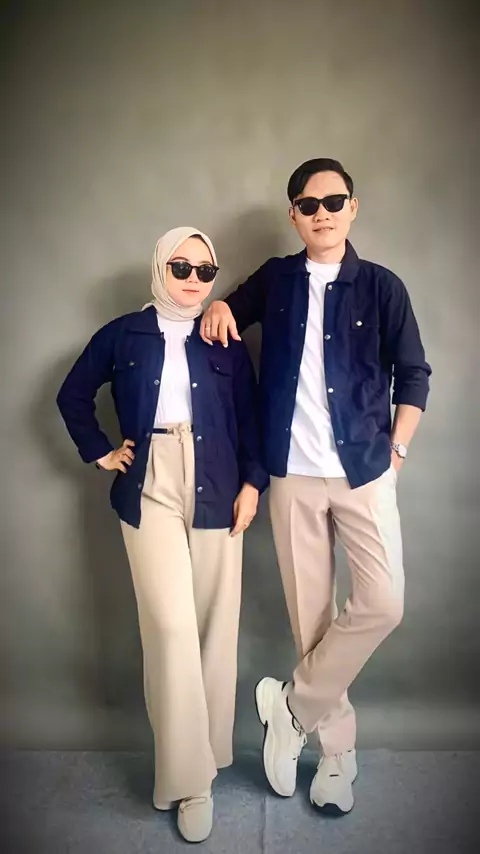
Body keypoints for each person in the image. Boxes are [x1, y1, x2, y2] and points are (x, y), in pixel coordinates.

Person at [200, 159, 431, 816]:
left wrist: (398, 449)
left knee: (382, 602)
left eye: (334, 201)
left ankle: (291, 708)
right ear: (294, 215)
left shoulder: (382, 287)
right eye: (308, 204)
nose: (321, 212)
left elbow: (414, 374)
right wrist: (218, 305)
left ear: (352, 207)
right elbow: (228, 307)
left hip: (364, 471)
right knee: (314, 621)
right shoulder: (276, 279)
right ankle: (336, 756)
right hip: (292, 476)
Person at [57, 226, 268, 843]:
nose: (194, 280)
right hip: (149, 480)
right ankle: (188, 779)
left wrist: (254, 483)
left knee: (214, 626)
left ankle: (208, 754)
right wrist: (101, 451)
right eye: (181, 267)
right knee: (171, 628)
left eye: (205, 271)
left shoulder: (224, 337)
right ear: (160, 268)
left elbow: (251, 416)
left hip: (220, 479)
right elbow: (73, 395)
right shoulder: (123, 334)